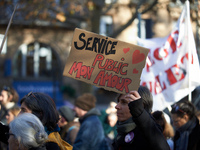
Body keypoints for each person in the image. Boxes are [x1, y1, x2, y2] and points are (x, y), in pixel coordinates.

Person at [0, 92, 73, 150]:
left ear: (39, 115)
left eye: (23, 110)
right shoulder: (25, 133)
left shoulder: (50, 144)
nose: (18, 115)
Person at [112, 85, 170, 150]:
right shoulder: (122, 131)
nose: (117, 106)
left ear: (139, 106)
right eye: (118, 101)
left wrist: (140, 114)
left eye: (124, 102)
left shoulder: (148, 133)